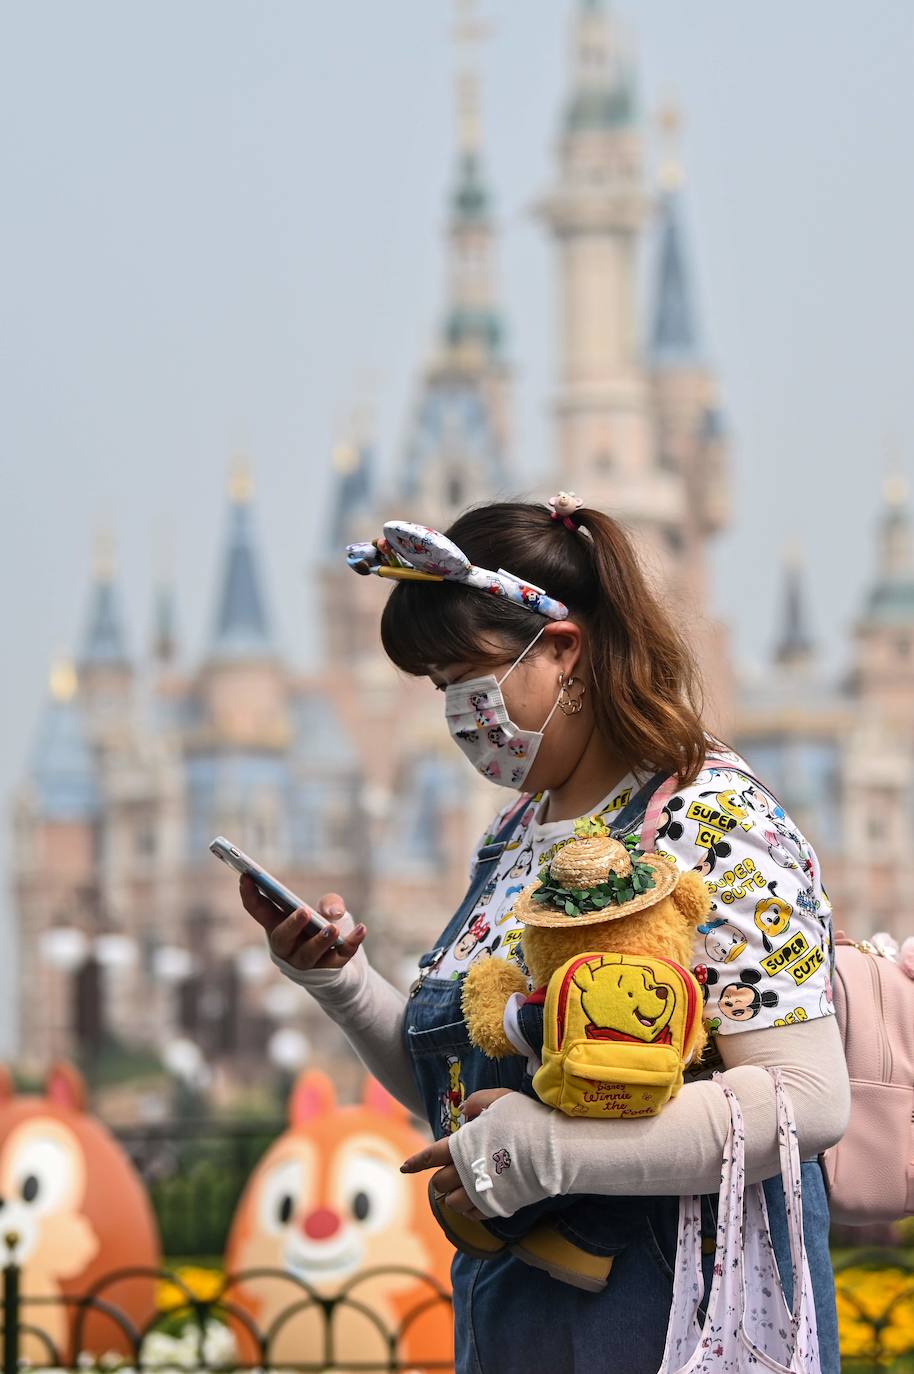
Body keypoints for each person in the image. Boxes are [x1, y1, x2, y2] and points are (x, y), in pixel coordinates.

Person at [239, 497, 850, 1374]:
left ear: (563, 651)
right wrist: (341, 982)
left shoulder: (711, 820)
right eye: (440, 687)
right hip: (518, 1320)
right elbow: (463, 1090)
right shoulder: (517, 836)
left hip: (677, 1318)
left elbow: (805, 1099)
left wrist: (552, 1151)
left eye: (469, 677)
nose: (457, 710)